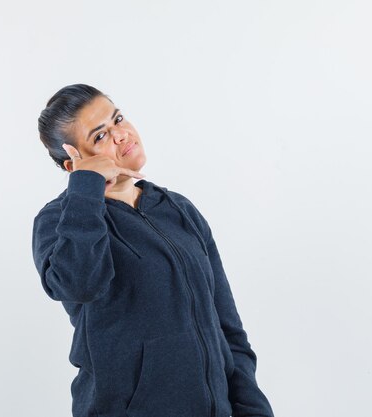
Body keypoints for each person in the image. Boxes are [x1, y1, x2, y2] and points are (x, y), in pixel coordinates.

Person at [32, 84, 275, 417]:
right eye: (100, 137)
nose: (121, 134)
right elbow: (79, 283)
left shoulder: (178, 209)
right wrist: (85, 190)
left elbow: (226, 328)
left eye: (118, 118)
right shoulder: (60, 220)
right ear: (74, 163)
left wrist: (253, 409)